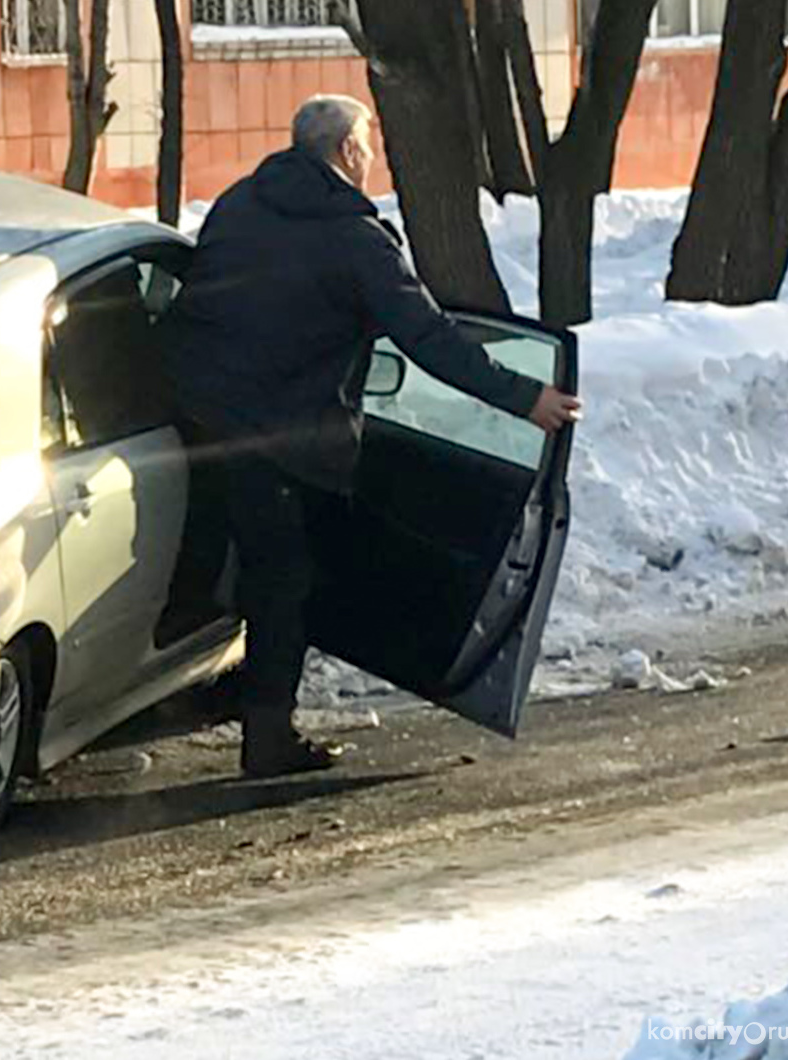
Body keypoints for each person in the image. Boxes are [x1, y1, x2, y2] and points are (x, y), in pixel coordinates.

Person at [165, 95, 583, 780]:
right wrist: (522, 397)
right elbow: (429, 338)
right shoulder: (355, 239)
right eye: (368, 144)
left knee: (217, 562)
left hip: (195, 419)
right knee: (282, 578)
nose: (372, 157)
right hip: (276, 436)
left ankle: (204, 695)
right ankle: (265, 736)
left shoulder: (239, 202)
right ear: (347, 153)